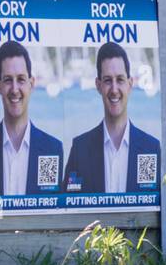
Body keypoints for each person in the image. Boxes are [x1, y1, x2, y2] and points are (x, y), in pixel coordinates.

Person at [0, 41, 64, 196]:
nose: (15, 89)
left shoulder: (51, 150)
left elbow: (54, 214)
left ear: (31, 83)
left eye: (21, 79)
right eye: (8, 80)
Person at [64, 42, 160, 192]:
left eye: (120, 80)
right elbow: (68, 211)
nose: (114, 90)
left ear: (130, 84)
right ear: (98, 85)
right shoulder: (80, 150)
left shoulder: (150, 149)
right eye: (108, 80)